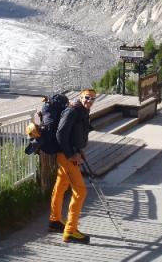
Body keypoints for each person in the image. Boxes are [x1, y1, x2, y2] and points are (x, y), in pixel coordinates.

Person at [48, 88, 95, 244]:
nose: (89, 100)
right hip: (66, 156)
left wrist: (79, 151)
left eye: (92, 98)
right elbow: (60, 134)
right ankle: (70, 231)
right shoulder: (73, 111)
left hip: (70, 154)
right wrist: (71, 154)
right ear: (81, 97)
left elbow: (75, 134)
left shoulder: (82, 110)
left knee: (61, 185)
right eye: (87, 97)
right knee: (80, 191)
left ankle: (55, 221)